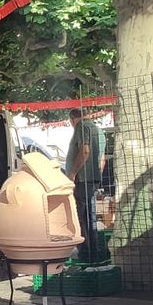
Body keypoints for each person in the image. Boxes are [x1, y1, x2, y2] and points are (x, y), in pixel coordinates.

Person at [65, 108, 104, 256]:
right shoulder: (98, 130)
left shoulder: (82, 127)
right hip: (93, 178)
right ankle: (94, 251)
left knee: (81, 216)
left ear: (72, 119)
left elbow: (85, 151)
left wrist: (73, 173)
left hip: (82, 179)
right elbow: (101, 160)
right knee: (90, 216)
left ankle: (85, 251)